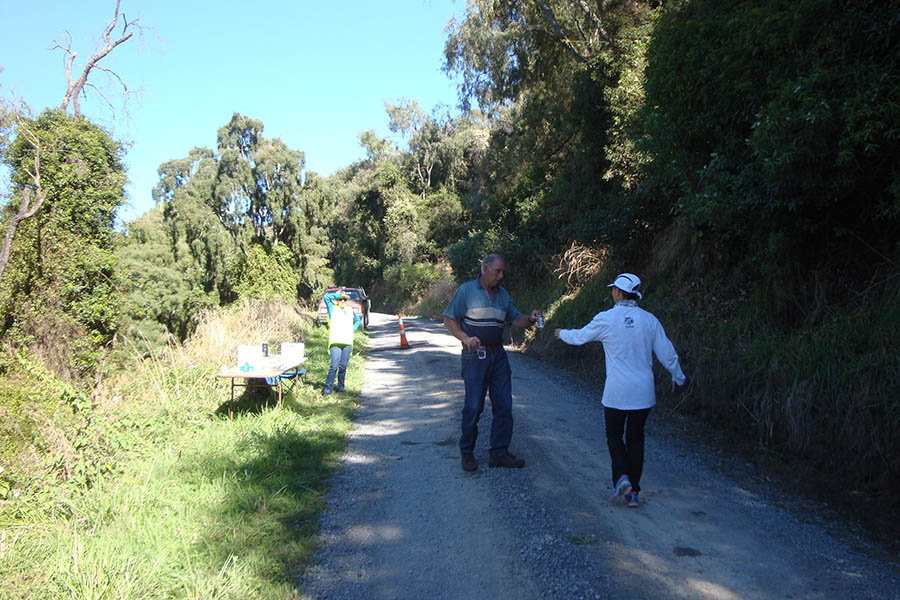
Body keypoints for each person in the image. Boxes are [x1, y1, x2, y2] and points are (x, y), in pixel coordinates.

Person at [554, 273, 686, 507]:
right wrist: (678, 377)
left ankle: (621, 478)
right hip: (643, 394)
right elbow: (667, 353)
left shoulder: (606, 318)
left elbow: (580, 337)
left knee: (614, 435)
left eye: (613, 289)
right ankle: (633, 493)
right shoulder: (649, 320)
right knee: (636, 439)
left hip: (617, 393)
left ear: (617, 292)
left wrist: (561, 333)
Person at [443, 254, 543, 472]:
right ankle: (467, 452)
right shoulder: (466, 291)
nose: (501, 275)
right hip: (474, 357)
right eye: (498, 271)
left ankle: (499, 453)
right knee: (473, 406)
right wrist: (465, 338)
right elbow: (449, 320)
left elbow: (516, 319)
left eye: (503, 271)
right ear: (485, 269)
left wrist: (531, 319)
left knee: (504, 405)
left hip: (498, 356)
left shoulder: (503, 295)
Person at [322, 290, 361, 395]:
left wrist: (352, 329)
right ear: (337, 300)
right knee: (334, 366)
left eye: (344, 299)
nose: (343, 301)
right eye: (340, 299)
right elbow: (326, 298)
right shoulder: (333, 308)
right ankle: (327, 389)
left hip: (347, 343)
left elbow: (358, 320)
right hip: (335, 342)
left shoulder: (350, 310)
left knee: (343, 367)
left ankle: (341, 388)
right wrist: (339, 294)